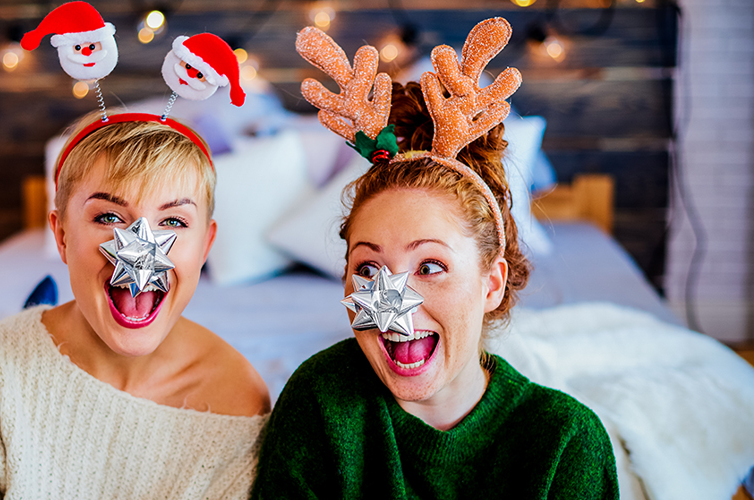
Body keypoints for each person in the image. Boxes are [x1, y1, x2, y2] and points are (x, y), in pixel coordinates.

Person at [252, 19, 620, 497]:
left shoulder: (565, 442)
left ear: (491, 283)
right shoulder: (320, 399)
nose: (393, 299)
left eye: (429, 267)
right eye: (367, 269)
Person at [0, 111, 271, 499]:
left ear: (205, 246)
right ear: (62, 235)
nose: (141, 249)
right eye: (110, 216)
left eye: (174, 222)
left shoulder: (237, 404)